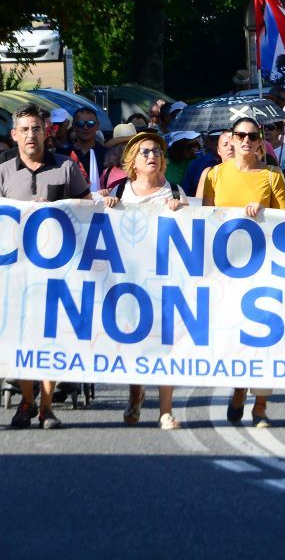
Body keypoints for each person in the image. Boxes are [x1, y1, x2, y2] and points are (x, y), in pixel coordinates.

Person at [0, 104, 90, 429]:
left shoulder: (66, 168)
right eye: (25, 129)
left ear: (47, 132)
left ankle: (45, 406)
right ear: (15, 135)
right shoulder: (2, 171)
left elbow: (88, 211)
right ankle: (27, 400)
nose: (31, 135)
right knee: (19, 338)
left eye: (37, 129)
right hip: (15, 269)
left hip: (58, 270)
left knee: (51, 338)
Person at [201, 115, 285, 427]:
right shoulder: (214, 175)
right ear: (232, 139)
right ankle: (239, 389)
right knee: (237, 338)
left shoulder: (272, 175)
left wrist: (264, 214)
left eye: (253, 136)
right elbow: (205, 219)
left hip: (264, 267)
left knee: (265, 338)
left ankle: (261, 406)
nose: (246, 141)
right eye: (241, 135)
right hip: (227, 268)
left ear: (260, 140)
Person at [102, 131, 189, 429]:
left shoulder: (175, 192)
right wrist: (105, 205)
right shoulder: (120, 191)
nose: (152, 156)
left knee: (167, 344)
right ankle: (135, 395)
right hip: (128, 278)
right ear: (133, 162)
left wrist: (183, 212)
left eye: (156, 151)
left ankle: (166, 410)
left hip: (166, 280)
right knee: (134, 342)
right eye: (145, 152)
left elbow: (194, 232)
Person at [61, 106, 108, 193]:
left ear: (97, 126)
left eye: (90, 123)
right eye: (81, 123)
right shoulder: (62, 155)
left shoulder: (107, 155)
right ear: (74, 126)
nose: (85, 127)